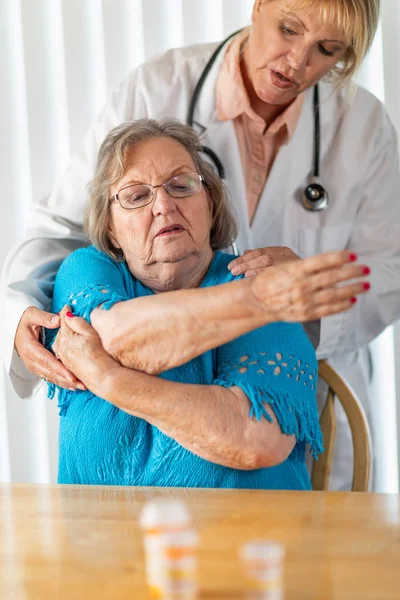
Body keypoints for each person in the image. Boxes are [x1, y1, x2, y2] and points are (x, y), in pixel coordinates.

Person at [2, 0, 399, 488]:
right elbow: (63, 225)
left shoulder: (362, 127)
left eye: (327, 49)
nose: (297, 61)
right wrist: (18, 312)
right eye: (289, 28)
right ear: (258, 6)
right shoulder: (157, 88)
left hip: (287, 395)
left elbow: (389, 268)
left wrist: (307, 301)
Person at [45, 118, 369, 488]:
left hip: (249, 541)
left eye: (181, 185)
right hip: (98, 542)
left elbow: (256, 440)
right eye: (136, 196)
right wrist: (261, 302)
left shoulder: (256, 278)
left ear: (210, 201)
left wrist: (107, 379)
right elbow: (116, 338)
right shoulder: (87, 271)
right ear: (110, 230)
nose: (164, 205)